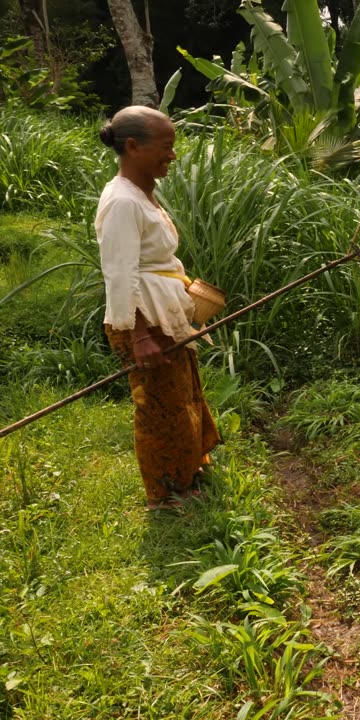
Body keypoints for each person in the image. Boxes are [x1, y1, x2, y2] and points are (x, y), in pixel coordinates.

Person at [97, 106, 220, 510]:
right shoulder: (122, 202)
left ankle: (187, 472)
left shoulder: (142, 193)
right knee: (160, 409)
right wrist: (139, 336)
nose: (172, 155)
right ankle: (166, 493)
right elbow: (120, 274)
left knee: (182, 397)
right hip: (143, 323)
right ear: (133, 147)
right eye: (165, 147)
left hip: (161, 315)